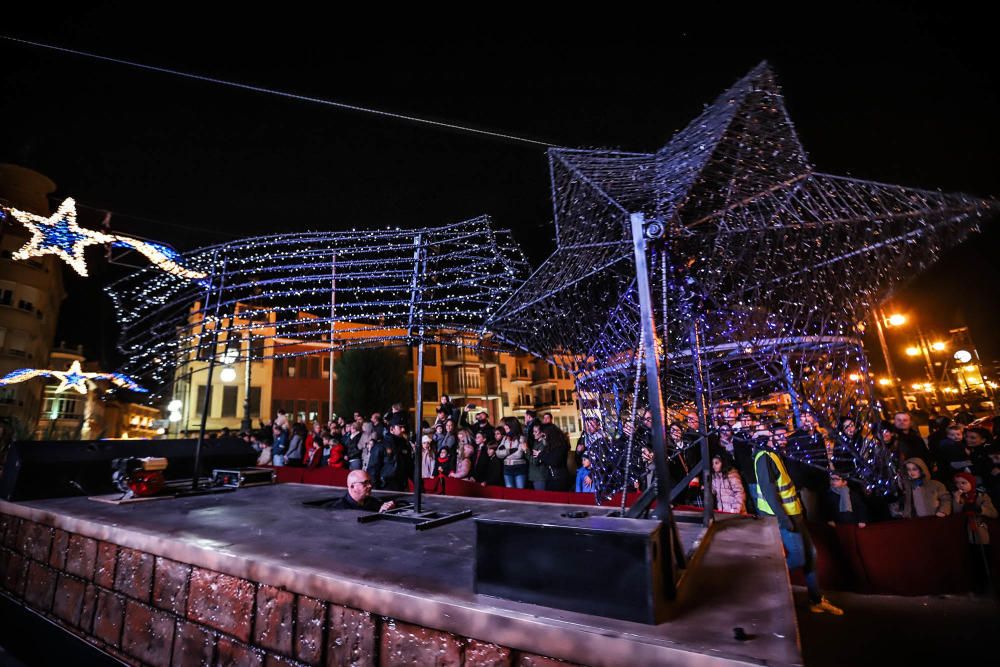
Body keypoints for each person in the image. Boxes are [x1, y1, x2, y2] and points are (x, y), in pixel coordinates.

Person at [754, 436, 843, 615]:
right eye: (777, 435)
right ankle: (762, 584)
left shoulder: (777, 455)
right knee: (799, 556)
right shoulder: (765, 457)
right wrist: (784, 519)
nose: (783, 437)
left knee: (810, 555)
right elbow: (769, 492)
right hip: (786, 516)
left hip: (795, 513)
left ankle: (816, 599)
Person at [325, 470, 396, 512]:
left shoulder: (373, 502)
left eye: (369, 482)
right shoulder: (340, 509)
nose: (370, 486)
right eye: (365, 483)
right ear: (352, 486)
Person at [497, 418, 528, 489]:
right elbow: (498, 453)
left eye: (506, 426)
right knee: (509, 492)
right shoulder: (504, 438)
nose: (504, 427)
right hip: (507, 468)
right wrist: (511, 451)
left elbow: (519, 455)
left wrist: (505, 453)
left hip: (519, 468)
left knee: (520, 492)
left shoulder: (521, 437)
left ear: (512, 426)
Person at [528, 424, 549, 491]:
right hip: (535, 476)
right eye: (533, 431)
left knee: (541, 498)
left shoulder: (542, 444)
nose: (533, 433)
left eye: (536, 431)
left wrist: (526, 451)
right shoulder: (536, 442)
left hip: (540, 476)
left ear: (542, 433)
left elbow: (535, 461)